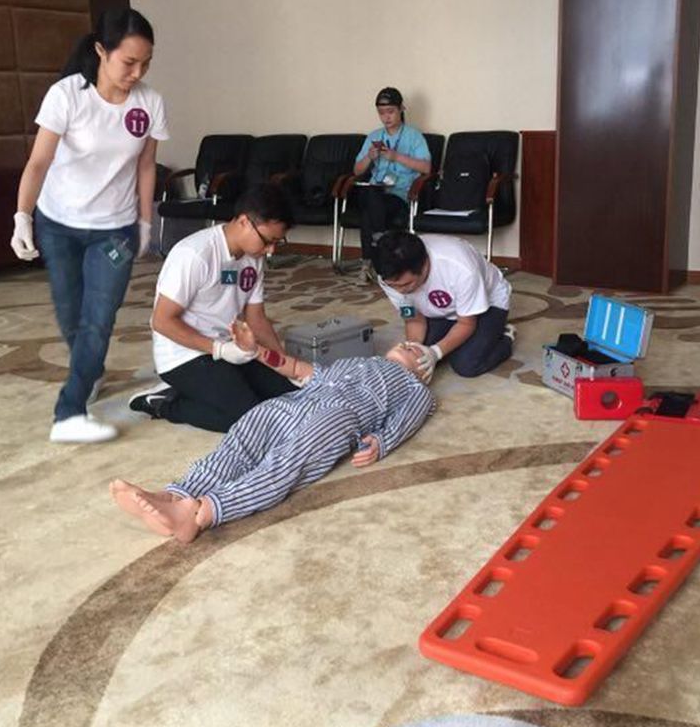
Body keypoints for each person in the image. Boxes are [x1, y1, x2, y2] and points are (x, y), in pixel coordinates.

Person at [10, 8, 168, 443]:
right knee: (71, 313)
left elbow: (146, 165)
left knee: (98, 317)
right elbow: (39, 162)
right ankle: (90, 369)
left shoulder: (149, 103)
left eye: (146, 64)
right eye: (128, 62)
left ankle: (69, 413)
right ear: (101, 50)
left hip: (115, 228)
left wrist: (144, 221)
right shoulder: (67, 96)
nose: (137, 74)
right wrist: (22, 215)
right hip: (58, 223)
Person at [111, 331, 435, 544]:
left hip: (342, 414)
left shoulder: (415, 387)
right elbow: (298, 369)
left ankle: (202, 512)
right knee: (243, 437)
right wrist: (259, 352)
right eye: (405, 343)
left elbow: (409, 418)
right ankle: (176, 495)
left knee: (285, 462)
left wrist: (382, 441)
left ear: (422, 370)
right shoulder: (355, 362)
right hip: (296, 402)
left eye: (412, 350)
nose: (404, 344)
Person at [129, 184, 297, 433]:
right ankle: (165, 403)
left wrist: (283, 364)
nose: (270, 251)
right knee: (252, 419)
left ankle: (213, 387)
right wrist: (218, 349)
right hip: (184, 356)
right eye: (268, 241)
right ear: (244, 221)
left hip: (231, 349)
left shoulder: (254, 258)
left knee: (290, 397)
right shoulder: (195, 254)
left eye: (276, 243)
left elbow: (257, 319)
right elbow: (162, 321)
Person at [374, 230, 515, 381]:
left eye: (407, 284)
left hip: (488, 305)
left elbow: (466, 323)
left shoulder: (461, 269)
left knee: (466, 364)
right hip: (441, 310)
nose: (400, 291)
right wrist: (413, 349)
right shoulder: (388, 277)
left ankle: (504, 336)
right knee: (422, 356)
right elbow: (413, 319)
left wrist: (435, 353)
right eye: (393, 286)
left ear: (424, 265)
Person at [352, 87, 431, 284]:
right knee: (370, 195)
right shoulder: (374, 136)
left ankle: (369, 262)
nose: (386, 117)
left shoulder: (414, 136)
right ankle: (378, 244)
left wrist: (396, 157)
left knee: (368, 210)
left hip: (399, 195)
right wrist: (369, 157)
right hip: (375, 192)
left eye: (390, 112)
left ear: (401, 109)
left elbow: (426, 168)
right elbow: (357, 170)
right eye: (381, 113)